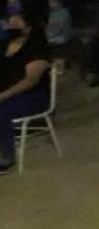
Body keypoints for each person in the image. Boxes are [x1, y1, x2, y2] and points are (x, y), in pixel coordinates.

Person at [0, 12, 51, 174]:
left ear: (28, 28)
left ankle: (6, 154)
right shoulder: (4, 46)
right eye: (10, 24)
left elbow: (31, 81)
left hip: (33, 96)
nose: (11, 27)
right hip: (6, 95)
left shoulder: (37, 48)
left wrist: (3, 95)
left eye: (16, 24)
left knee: (2, 110)